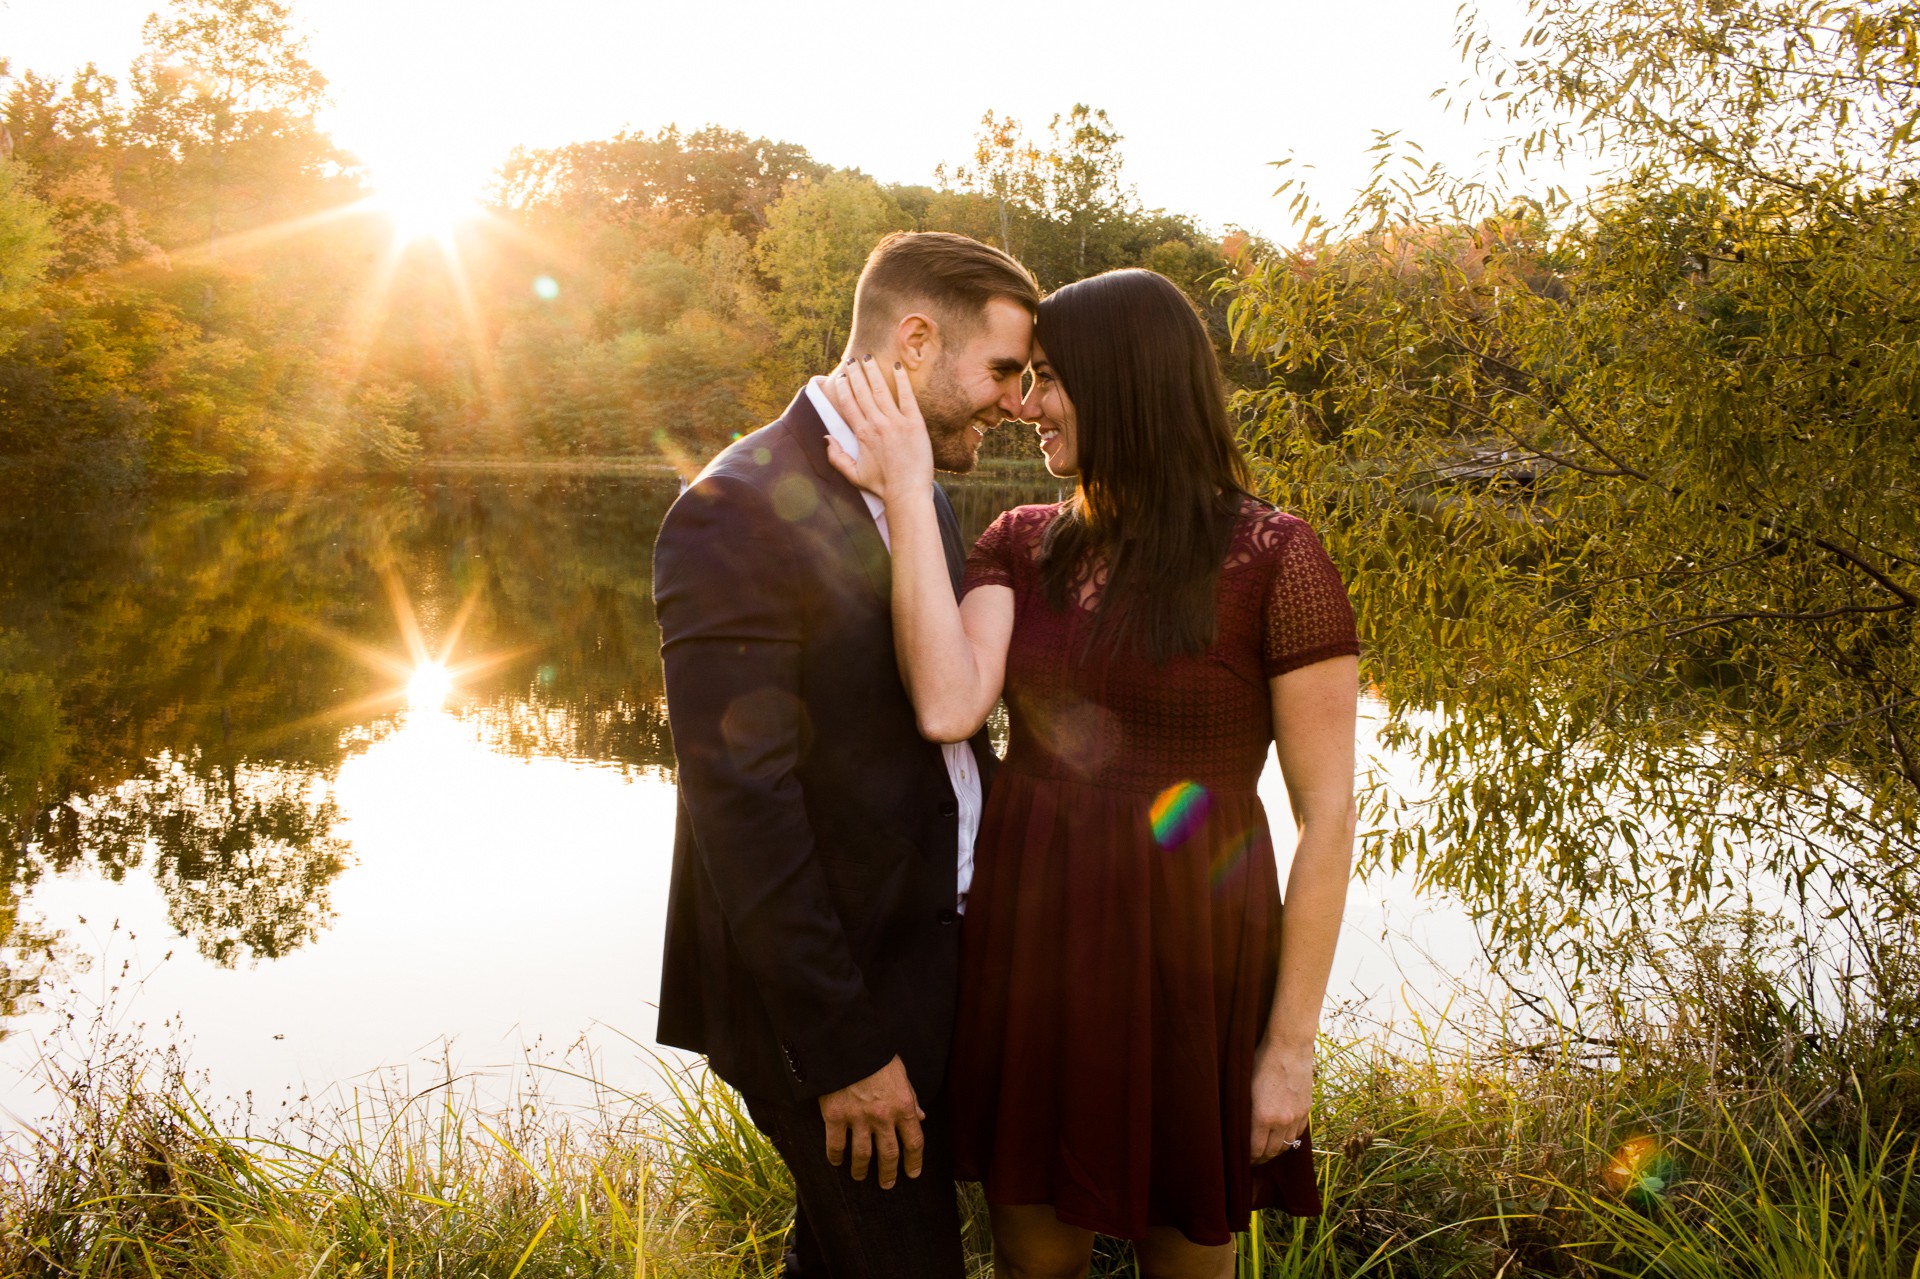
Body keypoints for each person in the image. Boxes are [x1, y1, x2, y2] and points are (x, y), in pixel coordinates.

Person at [823, 267, 1360, 1279]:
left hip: (1194, 968)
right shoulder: (1021, 546)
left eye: (1052, 380)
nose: (1027, 405)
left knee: (1189, 1258)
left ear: (1127, 386)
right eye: (1025, 378)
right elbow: (947, 704)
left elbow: (1327, 816)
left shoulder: (1275, 559)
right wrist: (902, 485)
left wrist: (1289, 1050)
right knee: (1035, 1263)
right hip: (1035, 960)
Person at [651, 231, 1041, 1279]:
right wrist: (845, 1054)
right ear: (916, 342)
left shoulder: (918, 485)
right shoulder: (734, 508)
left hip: (919, 960)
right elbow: (742, 807)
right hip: (826, 998)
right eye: (1002, 369)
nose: (1015, 400)